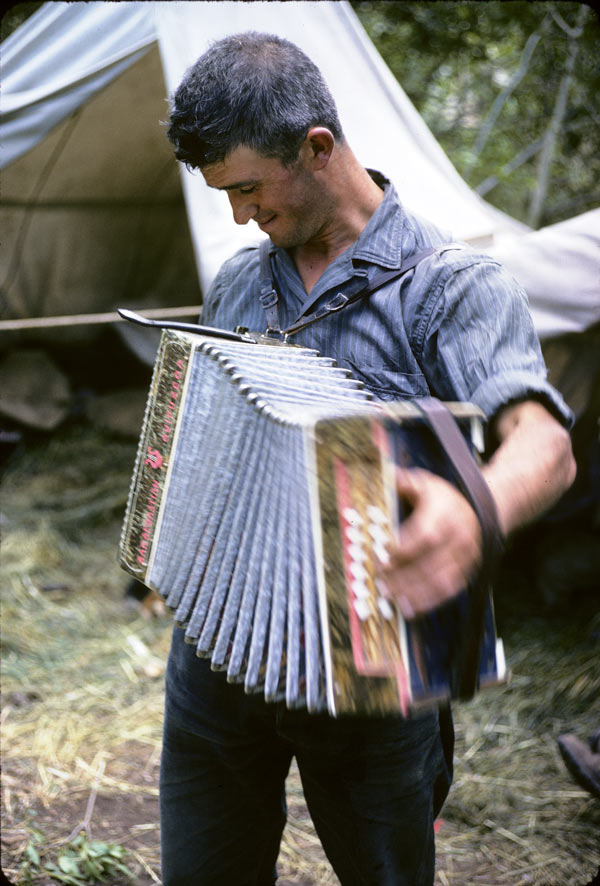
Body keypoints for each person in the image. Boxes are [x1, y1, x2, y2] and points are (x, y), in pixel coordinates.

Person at [161, 32, 576, 886]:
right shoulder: (242, 282)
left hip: (373, 675)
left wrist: (475, 509)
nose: (240, 215)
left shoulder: (453, 288)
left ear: (317, 148)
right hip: (216, 662)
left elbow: (547, 445)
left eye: (247, 189)